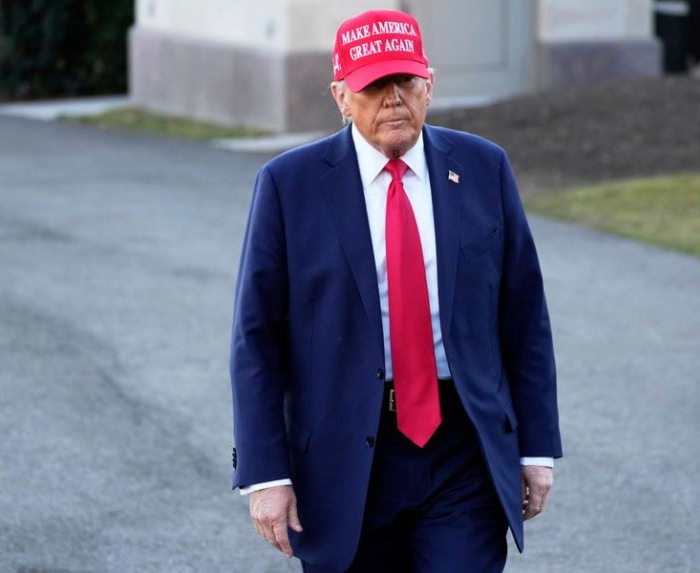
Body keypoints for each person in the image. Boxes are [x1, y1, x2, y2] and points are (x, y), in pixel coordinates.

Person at [230, 9, 562, 572]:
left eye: (405, 81)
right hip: (344, 453)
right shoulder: (290, 186)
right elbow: (256, 341)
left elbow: (524, 316)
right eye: (373, 86)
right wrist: (266, 473)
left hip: (462, 446)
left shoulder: (483, 168)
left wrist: (535, 449)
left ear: (429, 83)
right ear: (340, 95)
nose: (393, 99)